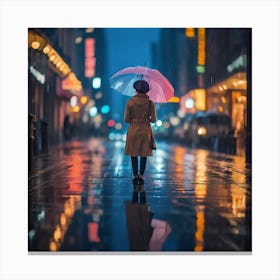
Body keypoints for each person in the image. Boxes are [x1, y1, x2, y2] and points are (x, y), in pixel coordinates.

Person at [124, 79, 157, 184]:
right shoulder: (150, 103)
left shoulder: (130, 102)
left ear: (135, 90)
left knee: (133, 153)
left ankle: (135, 175)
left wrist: (134, 119)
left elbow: (126, 119)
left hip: (133, 129)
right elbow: (154, 119)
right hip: (145, 130)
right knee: (144, 153)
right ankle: (141, 175)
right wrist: (147, 118)